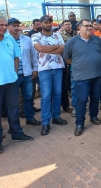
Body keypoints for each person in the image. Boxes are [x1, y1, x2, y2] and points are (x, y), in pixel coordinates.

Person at [64, 19, 101, 136]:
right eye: (86, 26)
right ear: (79, 28)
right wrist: (79, 65)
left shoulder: (97, 40)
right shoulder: (71, 42)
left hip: (97, 75)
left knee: (95, 97)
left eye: (90, 26)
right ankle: (80, 124)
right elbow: (67, 58)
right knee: (81, 101)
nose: (89, 28)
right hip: (81, 78)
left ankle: (93, 116)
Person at [0, 16, 34, 154]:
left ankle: (16, 133)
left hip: (11, 82)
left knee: (13, 108)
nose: (3, 27)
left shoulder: (9, 39)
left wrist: (14, 73)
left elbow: (16, 56)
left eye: (4, 24)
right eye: (0, 25)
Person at [32, 15, 67, 136]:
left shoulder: (57, 35)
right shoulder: (35, 36)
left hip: (58, 68)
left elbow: (63, 49)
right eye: (46, 22)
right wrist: (55, 47)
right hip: (44, 69)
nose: (48, 24)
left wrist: (48, 49)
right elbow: (40, 48)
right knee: (46, 96)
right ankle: (45, 122)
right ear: (41, 23)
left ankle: (56, 117)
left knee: (58, 93)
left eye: (50, 22)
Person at [7, 18, 40, 126]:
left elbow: (33, 55)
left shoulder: (26, 39)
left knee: (28, 97)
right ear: (8, 27)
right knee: (13, 101)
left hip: (27, 74)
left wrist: (35, 68)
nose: (17, 28)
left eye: (18, 25)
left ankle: (30, 117)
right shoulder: (4, 40)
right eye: (14, 26)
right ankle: (14, 124)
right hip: (11, 75)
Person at [60, 20, 74, 113]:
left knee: (73, 83)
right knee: (65, 83)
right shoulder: (60, 35)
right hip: (65, 61)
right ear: (63, 26)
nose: (68, 26)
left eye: (69, 24)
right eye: (66, 24)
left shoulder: (77, 33)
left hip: (76, 61)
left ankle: (71, 103)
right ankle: (65, 104)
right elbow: (61, 48)